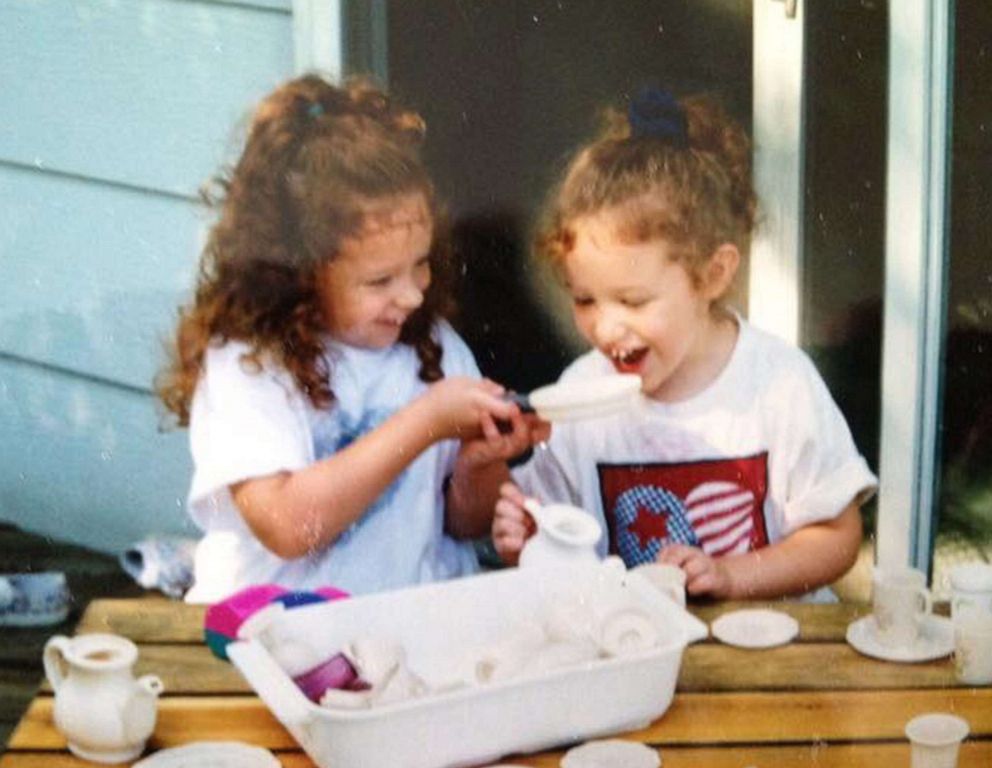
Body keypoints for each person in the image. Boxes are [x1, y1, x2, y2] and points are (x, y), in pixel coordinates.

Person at [157, 75, 544, 603]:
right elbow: (291, 527)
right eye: (380, 281)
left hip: (412, 624)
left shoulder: (434, 346)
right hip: (275, 633)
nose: (411, 296)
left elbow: (464, 522)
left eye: (421, 265)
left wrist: (480, 461)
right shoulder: (251, 364)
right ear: (299, 275)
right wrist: (425, 423)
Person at [492, 88, 877, 601]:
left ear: (712, 275)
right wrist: (530, 543)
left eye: (632, 300)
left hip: (769, 657)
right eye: (585, 299)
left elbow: (838, 537)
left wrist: (731, 575)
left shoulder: (778, 382)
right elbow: (560, 543)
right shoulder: (581, 393)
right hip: (635, 647)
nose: (606, 329)